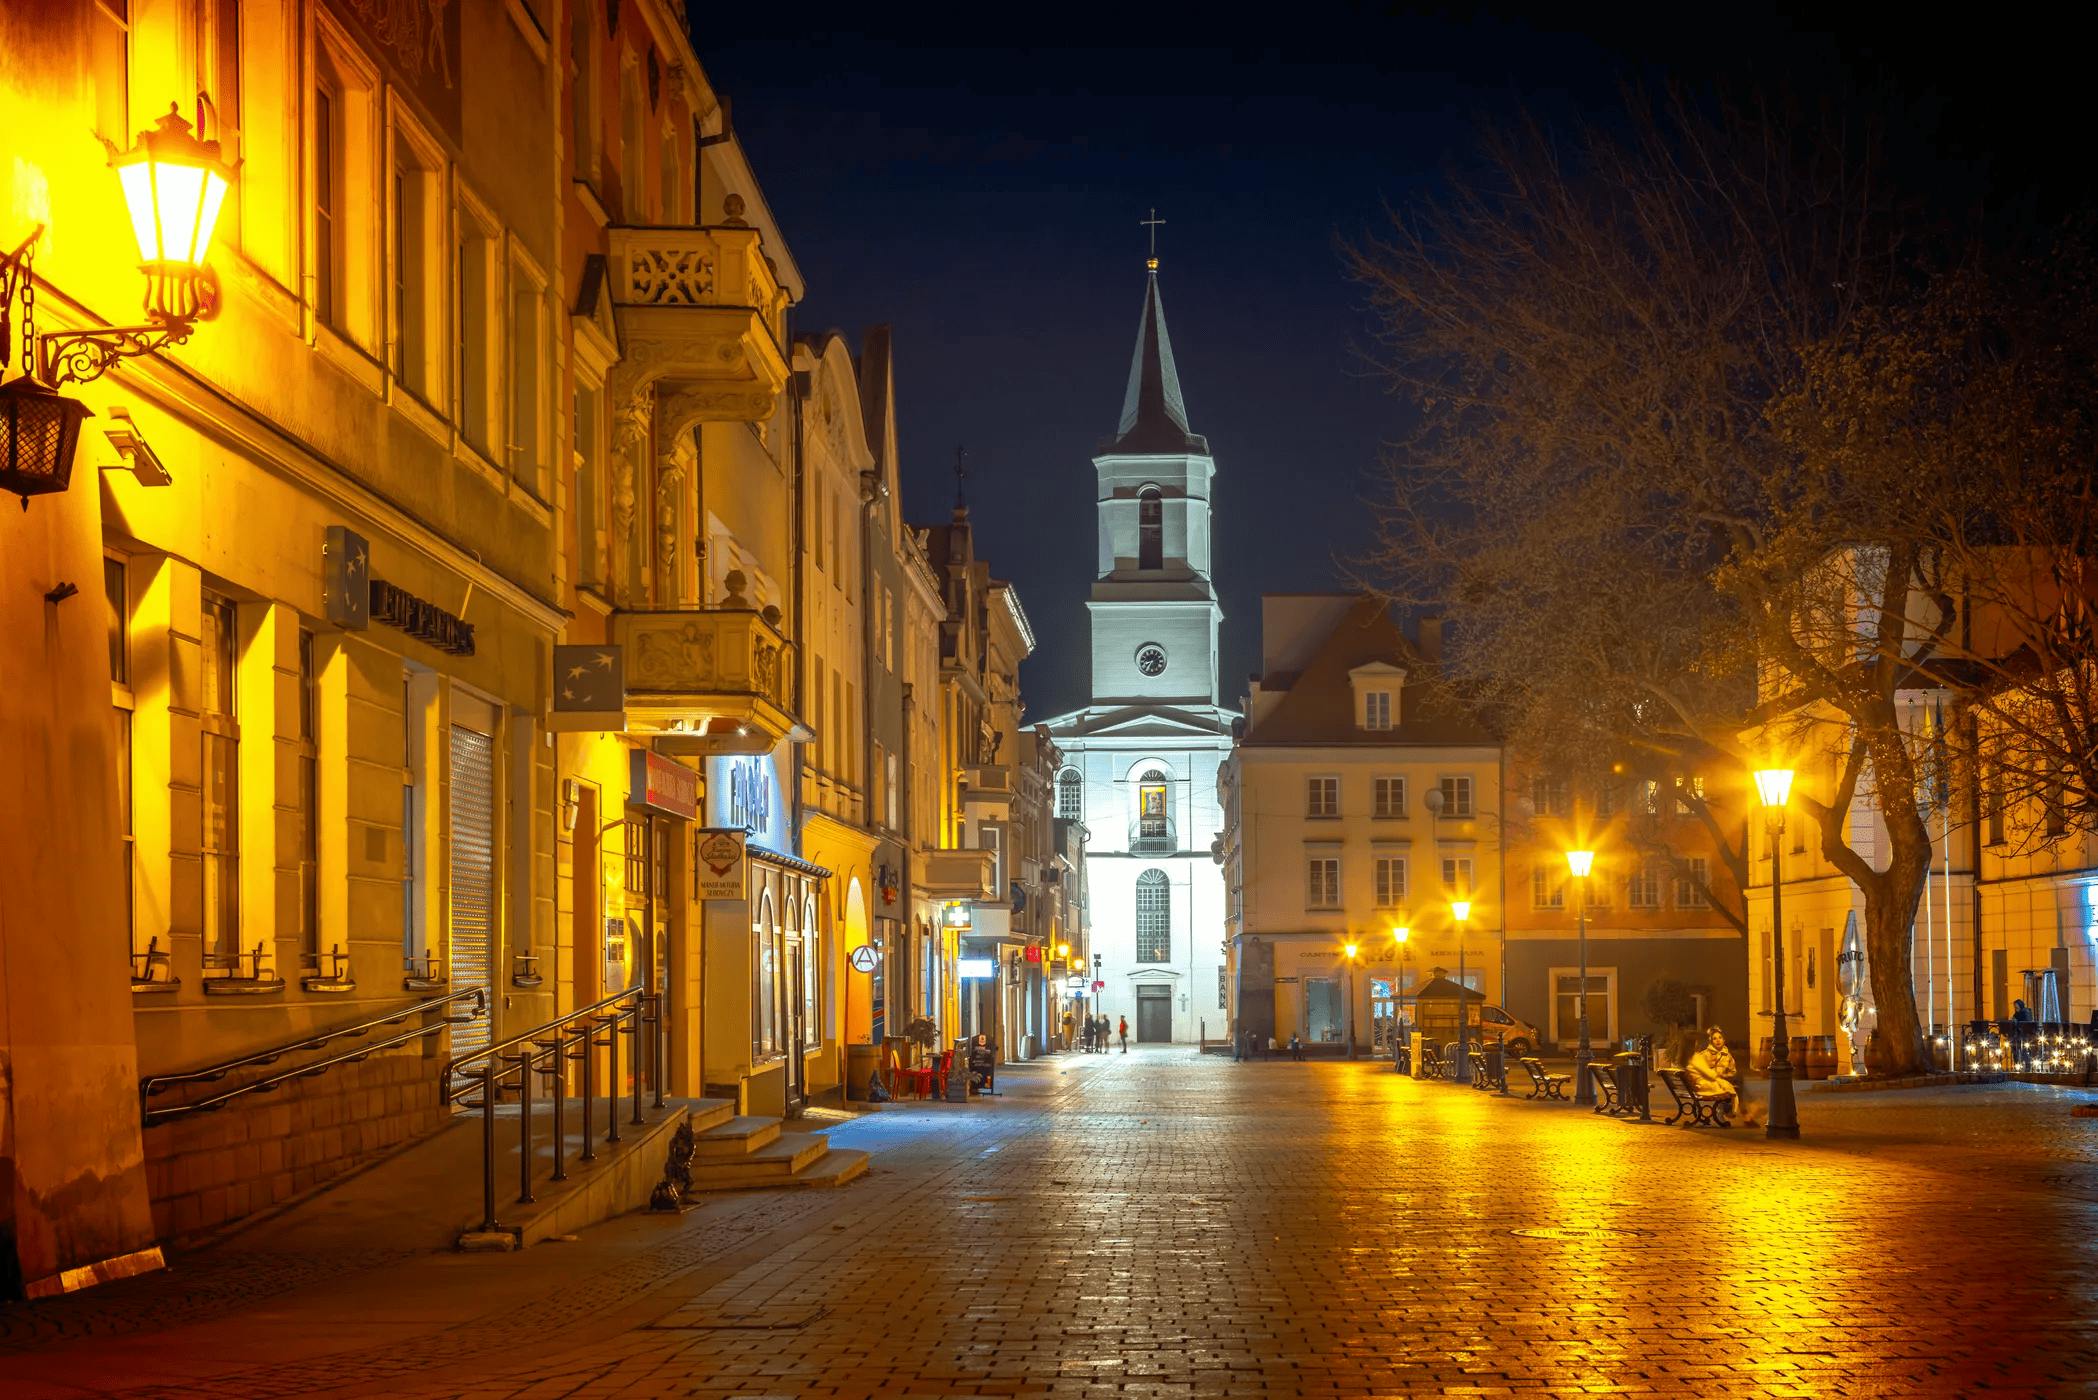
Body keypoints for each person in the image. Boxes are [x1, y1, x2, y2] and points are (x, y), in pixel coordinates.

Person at [1687, 1027, 1744, 1126]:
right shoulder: (1705, 1054)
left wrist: (1725, 1075)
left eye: (1720, 1038)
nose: (1718, 1040)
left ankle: (1727, 1110)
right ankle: (1725, 1111)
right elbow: (1700, 1071)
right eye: (1714, 1038)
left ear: (1724, 1040)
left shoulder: (1728, 1055)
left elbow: (1733, 1071)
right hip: (1707, 1083)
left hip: (1721, 1081)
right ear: (1711, 1041)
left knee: (1736, 1084)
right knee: (1732, 1088)